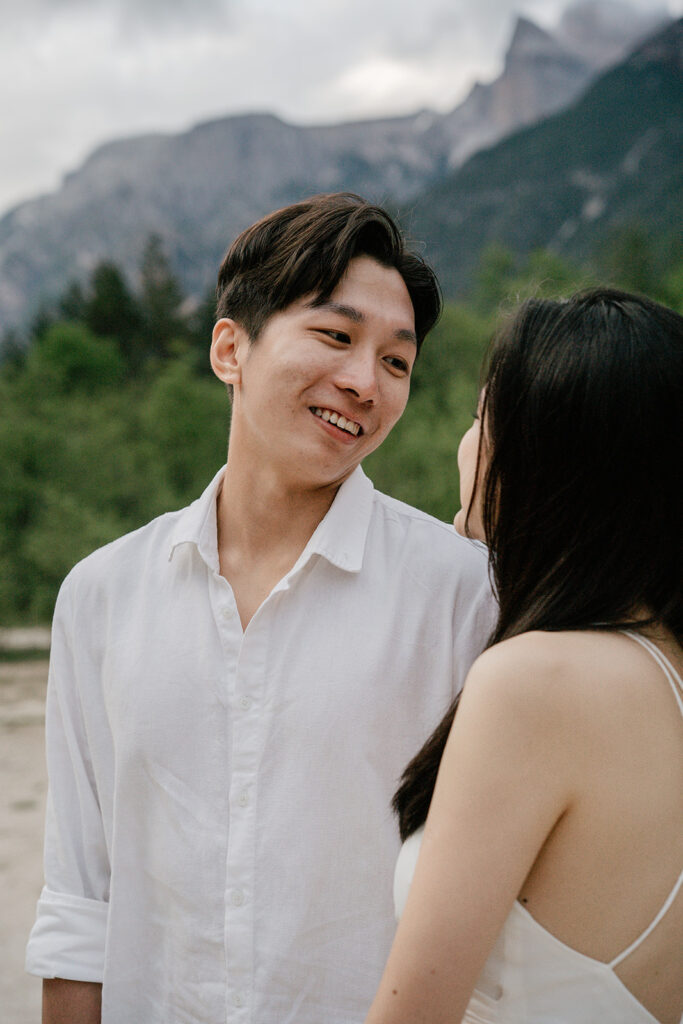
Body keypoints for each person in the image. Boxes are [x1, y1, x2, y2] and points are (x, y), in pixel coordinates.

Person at [26, 192, 495, 1023]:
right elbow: (79, 898)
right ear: (229, 348)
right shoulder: (101, 594)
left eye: (396, 362)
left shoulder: (463, 593)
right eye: (335, 336)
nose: (363, 382)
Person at [365, 288, 683, 1024]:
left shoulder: (536, 682)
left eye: (481, 417)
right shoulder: (659, 670)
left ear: (548, 453)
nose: (465, 442)